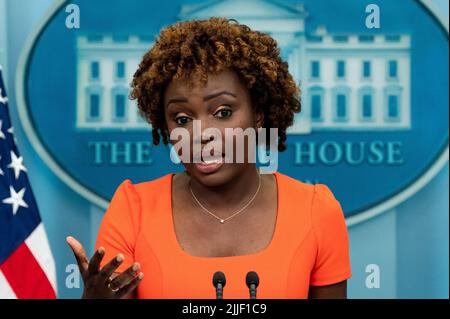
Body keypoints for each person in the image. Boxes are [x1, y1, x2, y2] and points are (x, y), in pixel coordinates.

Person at [67, 17, 351, 299]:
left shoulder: (316, 212)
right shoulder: (133, 210)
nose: (200, 134)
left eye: (223, 112)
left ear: (259, 115)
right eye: (182, 118)